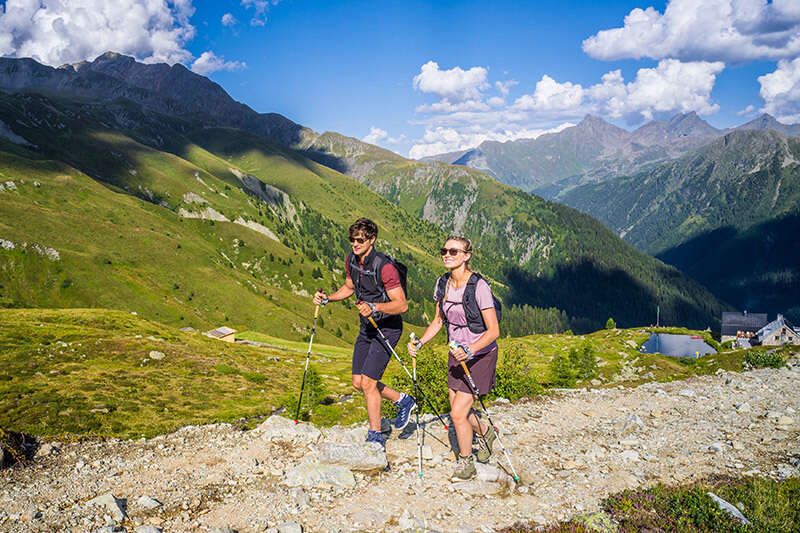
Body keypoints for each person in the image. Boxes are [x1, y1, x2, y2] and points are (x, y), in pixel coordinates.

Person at [313, 218, 416, 448]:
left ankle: (375, 434)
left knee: (369, 383)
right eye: (352, 239)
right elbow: (349, 287)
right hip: (367, 326)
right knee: (358, 382)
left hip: (387, 328)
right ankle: (403, 400)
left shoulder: (385, 267)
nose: (355, 244)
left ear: (372, 240)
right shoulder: (351, 259)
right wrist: (328, 298)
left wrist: (375, 307)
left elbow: (402, 305)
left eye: (360, 240)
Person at [407, 236, 500, 480]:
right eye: (444, 250)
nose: (447, 254)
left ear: (467, 255)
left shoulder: (479, 286)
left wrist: (470, 350)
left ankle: (466, 461)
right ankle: (486, 431)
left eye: (454, 251)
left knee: (458, 413)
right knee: (459, 410)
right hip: (455, 354)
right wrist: (421, 342)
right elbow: (438, 321)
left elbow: (494, 331)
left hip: (480, 355)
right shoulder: (442, 283)